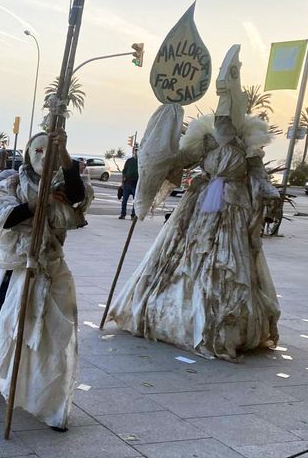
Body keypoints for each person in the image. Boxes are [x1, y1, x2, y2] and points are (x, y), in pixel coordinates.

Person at [107, 47, 280, 362]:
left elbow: (259, 175)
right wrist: (158, 150)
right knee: (188, 254)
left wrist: (269, 193)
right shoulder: (205, 139)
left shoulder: (248, 144)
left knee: (229, 261)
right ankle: (179, 315)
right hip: (201, 204)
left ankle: (222, 322)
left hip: (233, 207)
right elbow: (177, 163)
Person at [0, 129, 94, 431]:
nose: (43, 157)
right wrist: (37, 204)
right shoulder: (13, 182)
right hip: (14, 263)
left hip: (48, 265)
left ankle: (50, 401)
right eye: (38, 151)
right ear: (29, 153)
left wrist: (64, 155)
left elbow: (78, 198)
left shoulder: (61, 181)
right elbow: (5, 216)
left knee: (51, 330)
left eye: (50, 152)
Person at [119, 152, 138, 219]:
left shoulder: (141, 161)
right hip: (127, 183)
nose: (136, 153)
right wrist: (122, 182)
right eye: (136, 151)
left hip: (136, 183)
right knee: (124, 200)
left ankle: (133, 215)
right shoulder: (129, 160)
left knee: (135, 201)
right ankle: (123, 214)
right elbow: (124, 171)